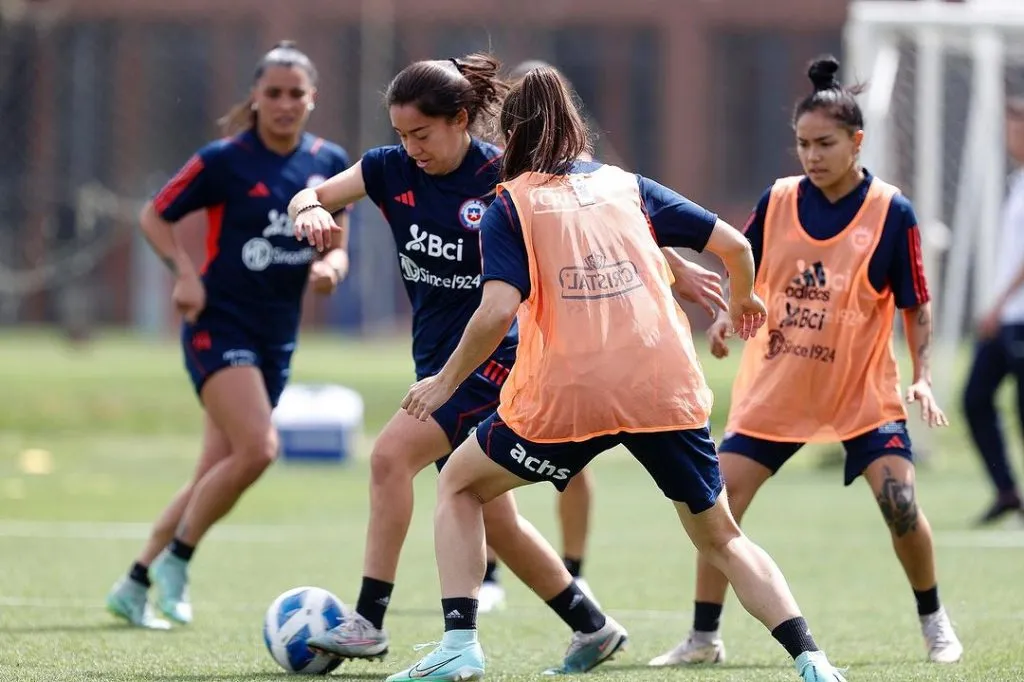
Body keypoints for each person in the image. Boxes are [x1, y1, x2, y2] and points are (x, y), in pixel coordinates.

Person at [386, 65, 849, 682]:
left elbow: (498, 309)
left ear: (511, 132)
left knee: (461, 486)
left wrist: (443, 383)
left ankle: (460, 644)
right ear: (576, 124)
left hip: (568, 394)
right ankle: (811, 659)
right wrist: (742, 301)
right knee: (722, 537)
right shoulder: (628, 186)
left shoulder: (510, 203)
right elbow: (738, 247)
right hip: (664, 387)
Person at [288, 53, 642, 674]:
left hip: (497, 360)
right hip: (437, 361)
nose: (410, 148)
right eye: (400, 134)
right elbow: (310, 193)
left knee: (389, 455)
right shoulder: (387, 169)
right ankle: (593, 626)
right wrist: (310, 209)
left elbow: (601, 218)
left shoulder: (507, 176)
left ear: (460, 120)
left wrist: (678, 267)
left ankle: (369, 619)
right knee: (492, 515)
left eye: (421, 134)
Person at [648, 55, 964, 668]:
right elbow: (746, 268)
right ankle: (703, 637)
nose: (812, 156)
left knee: (901, 508)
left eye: (825, 144)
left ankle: (934, 622)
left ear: (857, 141)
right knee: (716, 506)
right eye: (802, 145)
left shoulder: (891, 212)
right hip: (776, 389)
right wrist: (721, 317)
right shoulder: (780, 200)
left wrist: (922, 375)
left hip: (862, 394)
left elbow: (915, 304)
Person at [105, 41, 351, 629]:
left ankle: (134, 581)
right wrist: (185, 275)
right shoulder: (224, 159)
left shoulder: (330, 160)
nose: (285, 104)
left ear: (312, 99)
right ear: (255, 98)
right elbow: (153, 214)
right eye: (274, 93)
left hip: (277, 338)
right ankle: (178, 562)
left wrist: (330, 269)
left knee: (214, 471)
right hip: (218, 326)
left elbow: (340, 240)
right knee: (259, 449)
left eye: (297, 94)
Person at [476, 58, 603, 614]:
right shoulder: (497, 176)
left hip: (564, 335)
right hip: (512, 331)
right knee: (484, 459)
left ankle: (574, 573)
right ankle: (491, 573)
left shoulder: (588, 175)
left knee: (570, 468)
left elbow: (629, 227)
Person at [962, 97, 1024, 526]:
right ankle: (1006, 491)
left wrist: (998, 304)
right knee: (975, 398)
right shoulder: (1017, 180)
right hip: (1007, 317)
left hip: (1018, 316)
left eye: (1017, 127)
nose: (1011, 136)